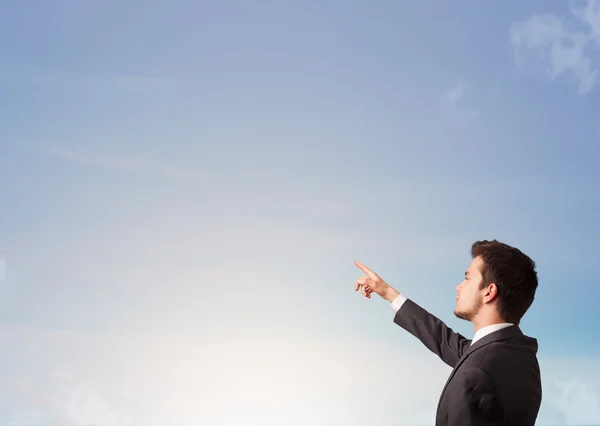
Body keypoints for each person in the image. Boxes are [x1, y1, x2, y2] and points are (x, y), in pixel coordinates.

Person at [354, 239, 541, 426]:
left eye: (467, 278)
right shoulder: (518, 353)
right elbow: (447, 342)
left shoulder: (476, 374)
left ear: (489, 292)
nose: (458, 286)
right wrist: (388, 293)